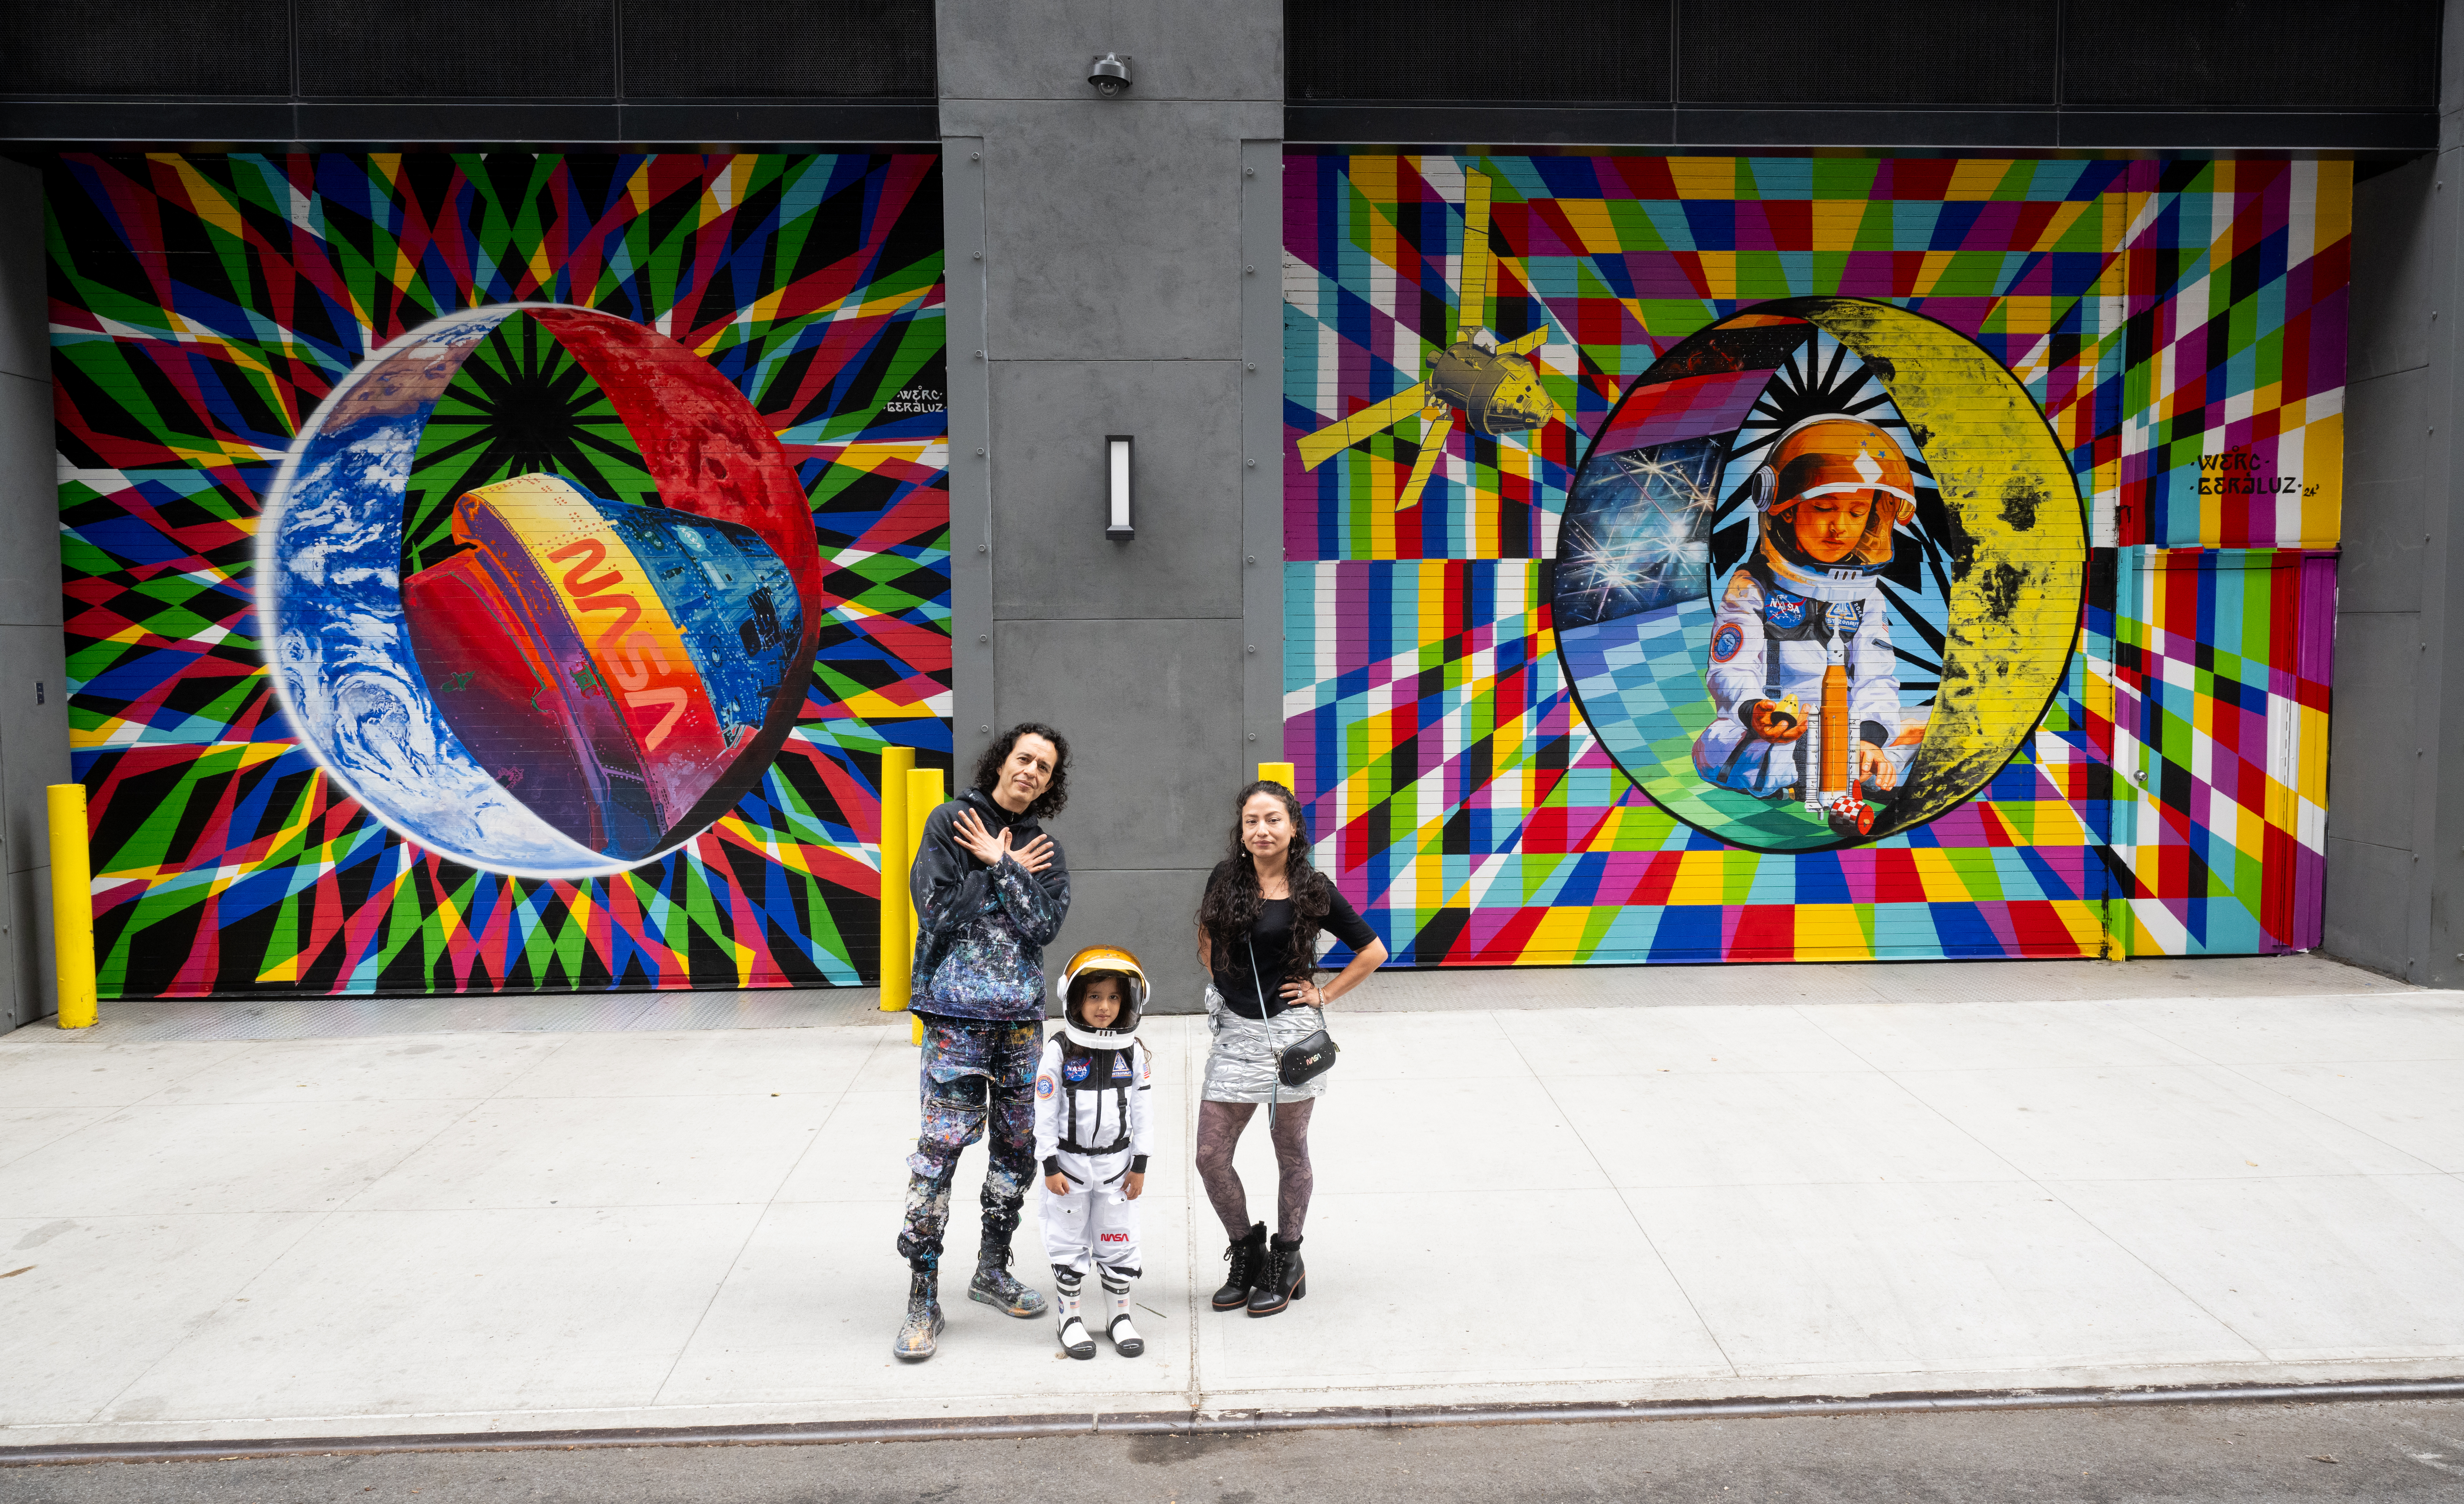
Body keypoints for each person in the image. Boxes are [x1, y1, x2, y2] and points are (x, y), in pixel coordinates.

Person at [892, 722, 1072, 1362]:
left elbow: (1045, 924)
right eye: (1025, 758)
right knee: (939, 1152)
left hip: (1021, 1023)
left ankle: (992, 1269)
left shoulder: (1043, 845)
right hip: (954, 1019)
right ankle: (923, 1296)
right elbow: (937, 911)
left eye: (1045, 768)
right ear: (1003, 760)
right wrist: (1001, 872)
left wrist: (1001, 863)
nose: (1031, 771)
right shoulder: (950, 821)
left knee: (1018, 1150)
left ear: (1051, 784)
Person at [1192, 779, 1388, 1317]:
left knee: (1290, 1148)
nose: (1262, 829)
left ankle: (1288, 1256)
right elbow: (1206, 937)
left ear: (1294, 826)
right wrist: (1225, 989)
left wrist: (1323, 993)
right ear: (1242, 828)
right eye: (1252, 820)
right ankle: (1248, 1249)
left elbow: (1372, 950)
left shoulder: (1312, 888)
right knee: (1210, 1156)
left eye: (1273, 819)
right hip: (1236, 1034)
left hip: (1291, 1039)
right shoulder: (1225, 879)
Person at [1690, 416, 1929, 820]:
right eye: (1823, 508)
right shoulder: (1753, 586)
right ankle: (1821, 772)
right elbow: (1729, 671)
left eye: (1857, 513)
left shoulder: (1866, 595)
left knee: (1929, 724)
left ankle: (1854, 768)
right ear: (1783, 508)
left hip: (1850, 732)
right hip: (1780, 726)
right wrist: (1755, 711)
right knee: (1716, 746)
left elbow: (1878, 678)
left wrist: (1870, 739)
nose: (1840, 527)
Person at [1034, 945, 1155, 1359]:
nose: (1105, 1006)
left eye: (1114, 997)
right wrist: (1049, 1164)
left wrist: (1140, 1163)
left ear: (1128, 1002)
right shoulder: (1060, 1051)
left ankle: (1119, 1316)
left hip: (1117, 1166)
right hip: (1068, 1166)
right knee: (1067, 1242)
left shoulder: (1132, 1051)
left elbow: (1144, 1110)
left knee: (1117, 1240)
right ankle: (1069, 1318)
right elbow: (1045, 1112)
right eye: (1094, 996)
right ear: (1074, 999)